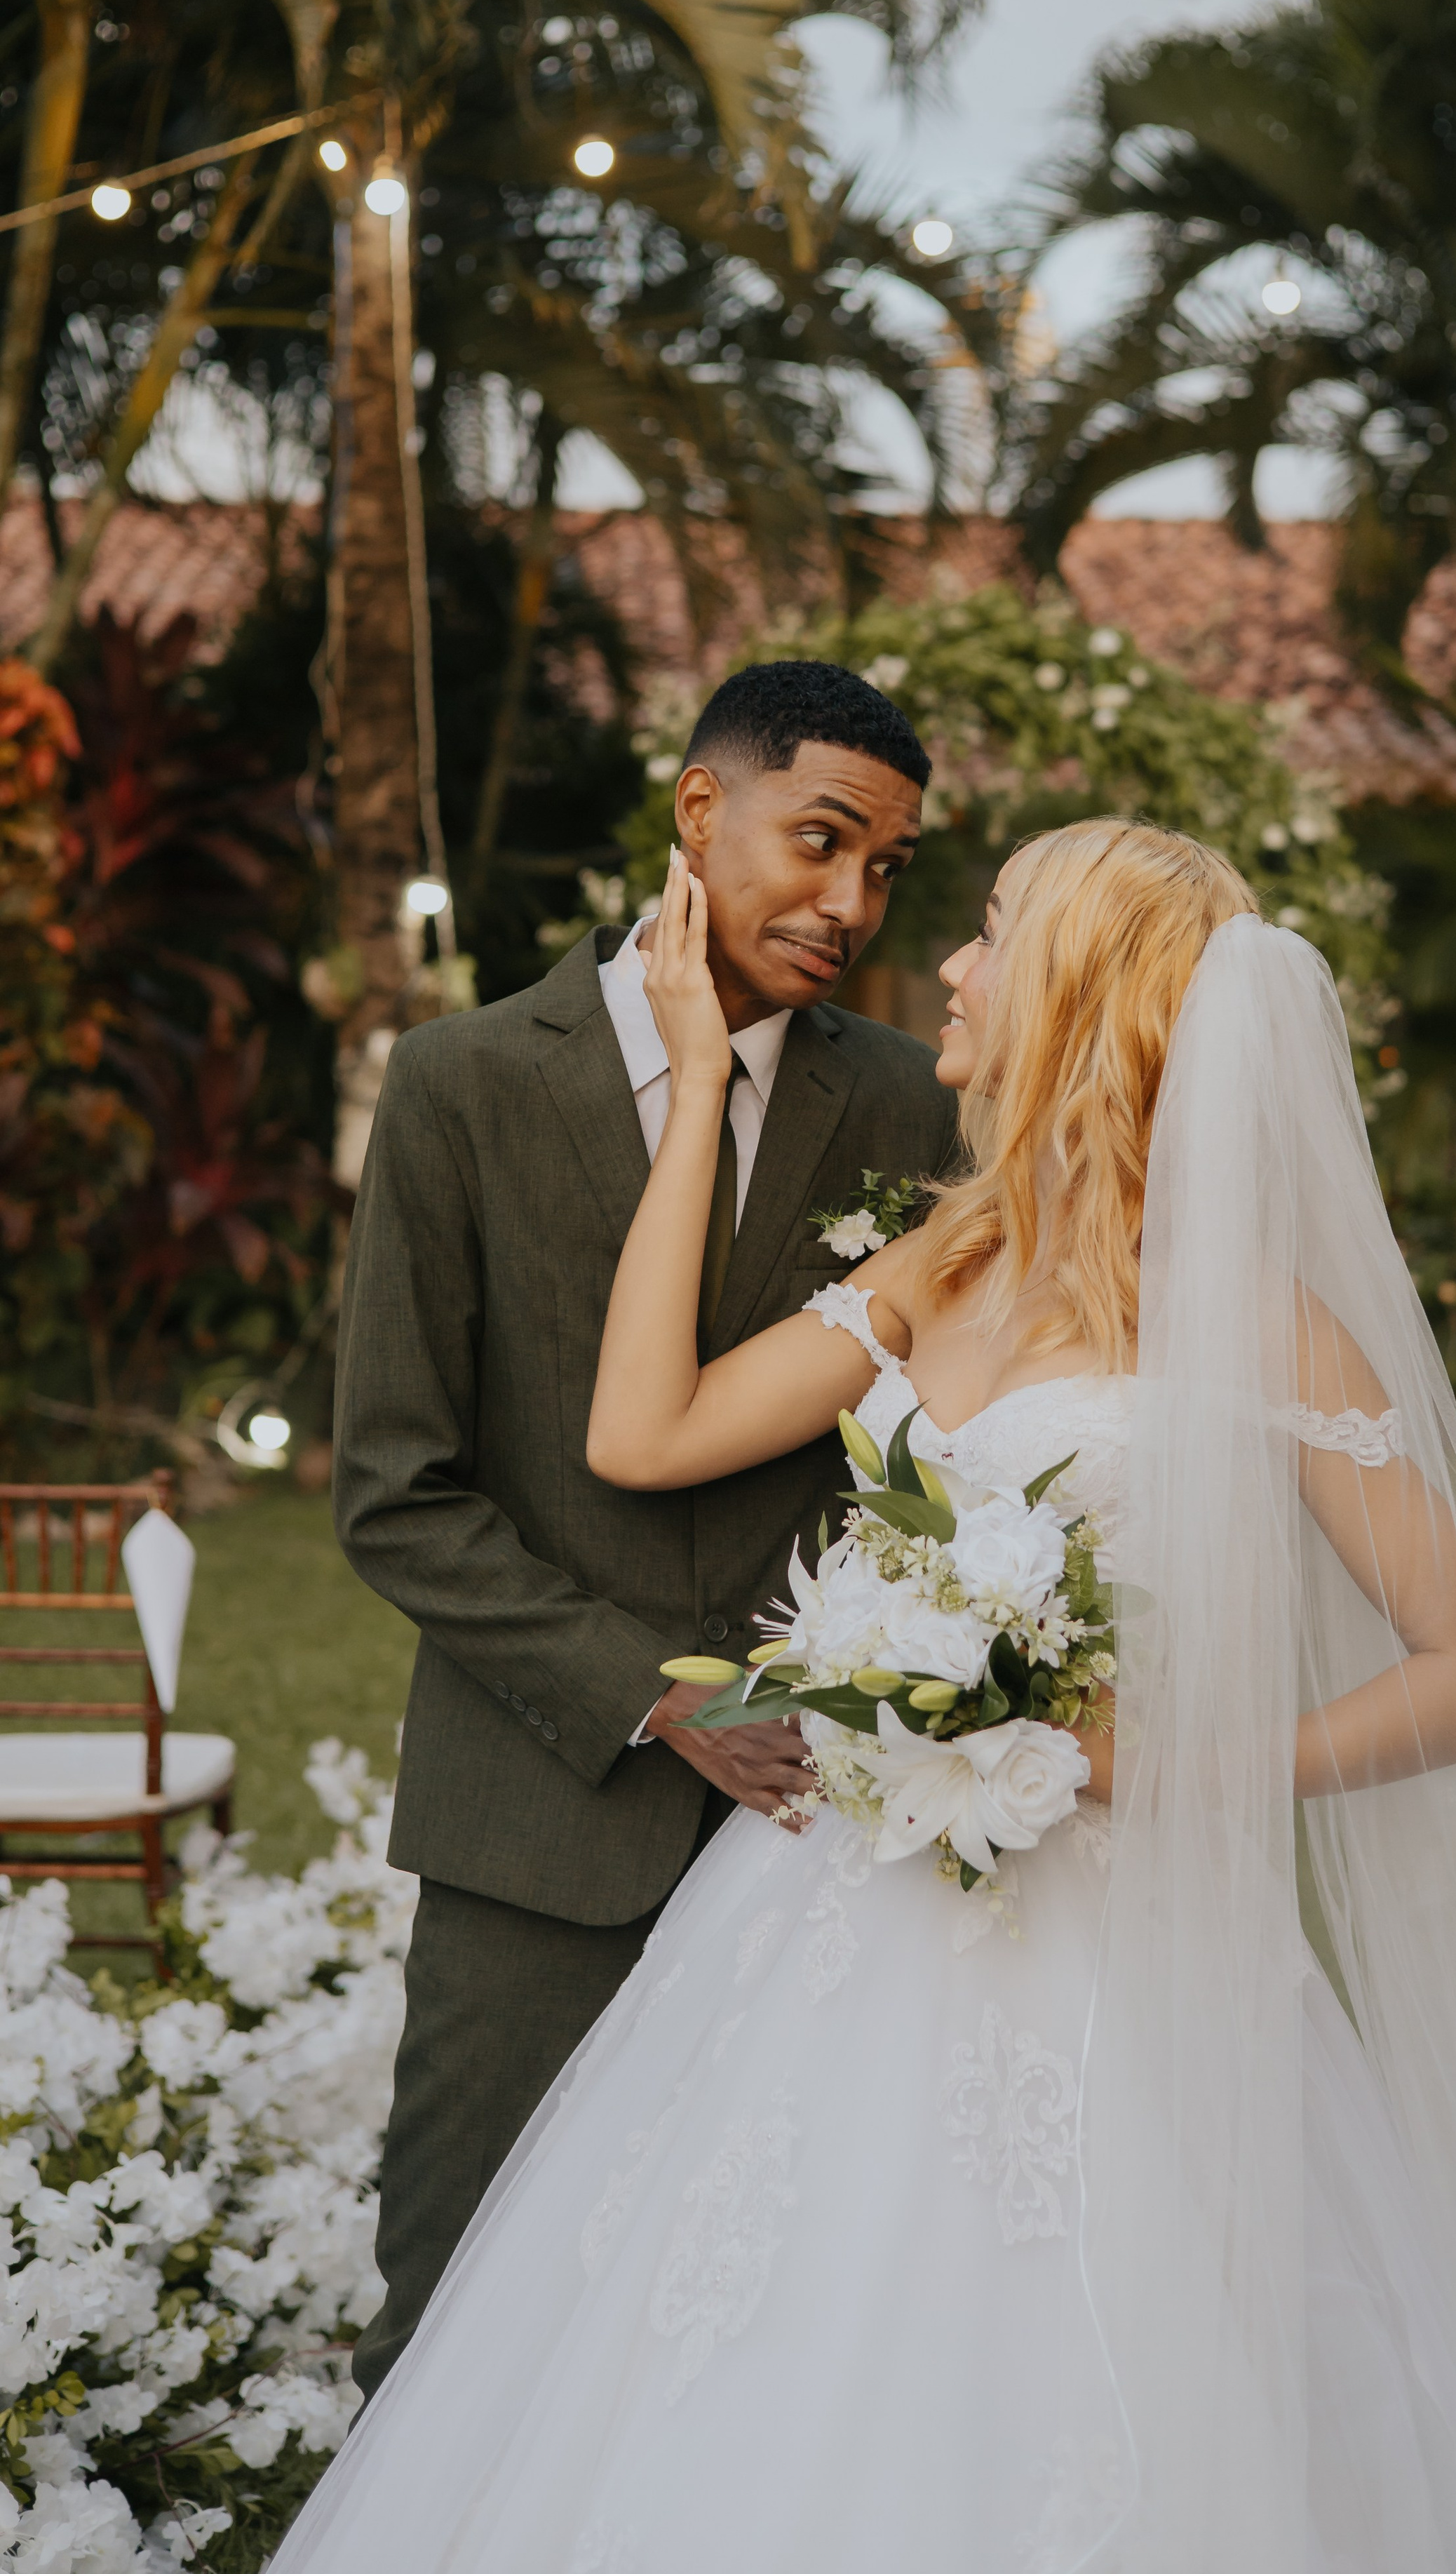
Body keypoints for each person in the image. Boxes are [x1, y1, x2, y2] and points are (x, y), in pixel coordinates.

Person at [284, 818, 1456, 2573]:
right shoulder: (945, 1258)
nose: (950, 966)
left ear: (1074, 989)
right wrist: (696, 1087)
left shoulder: (1257, 1318)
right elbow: (645, 1431)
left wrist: (1184, 1764)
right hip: (827, 1915)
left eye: (991, 932)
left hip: (1121, 1942)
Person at [330, 659, 960, 2403]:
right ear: (700, 810)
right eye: (819, 842)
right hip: (539, 1822)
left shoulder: (914, 1106)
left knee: (767, 2338)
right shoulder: (457, 1083)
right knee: (452, 2317)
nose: (848, 904)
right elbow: (396, 1490)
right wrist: (659, 1694)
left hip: (823, 1844)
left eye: (885, 871)